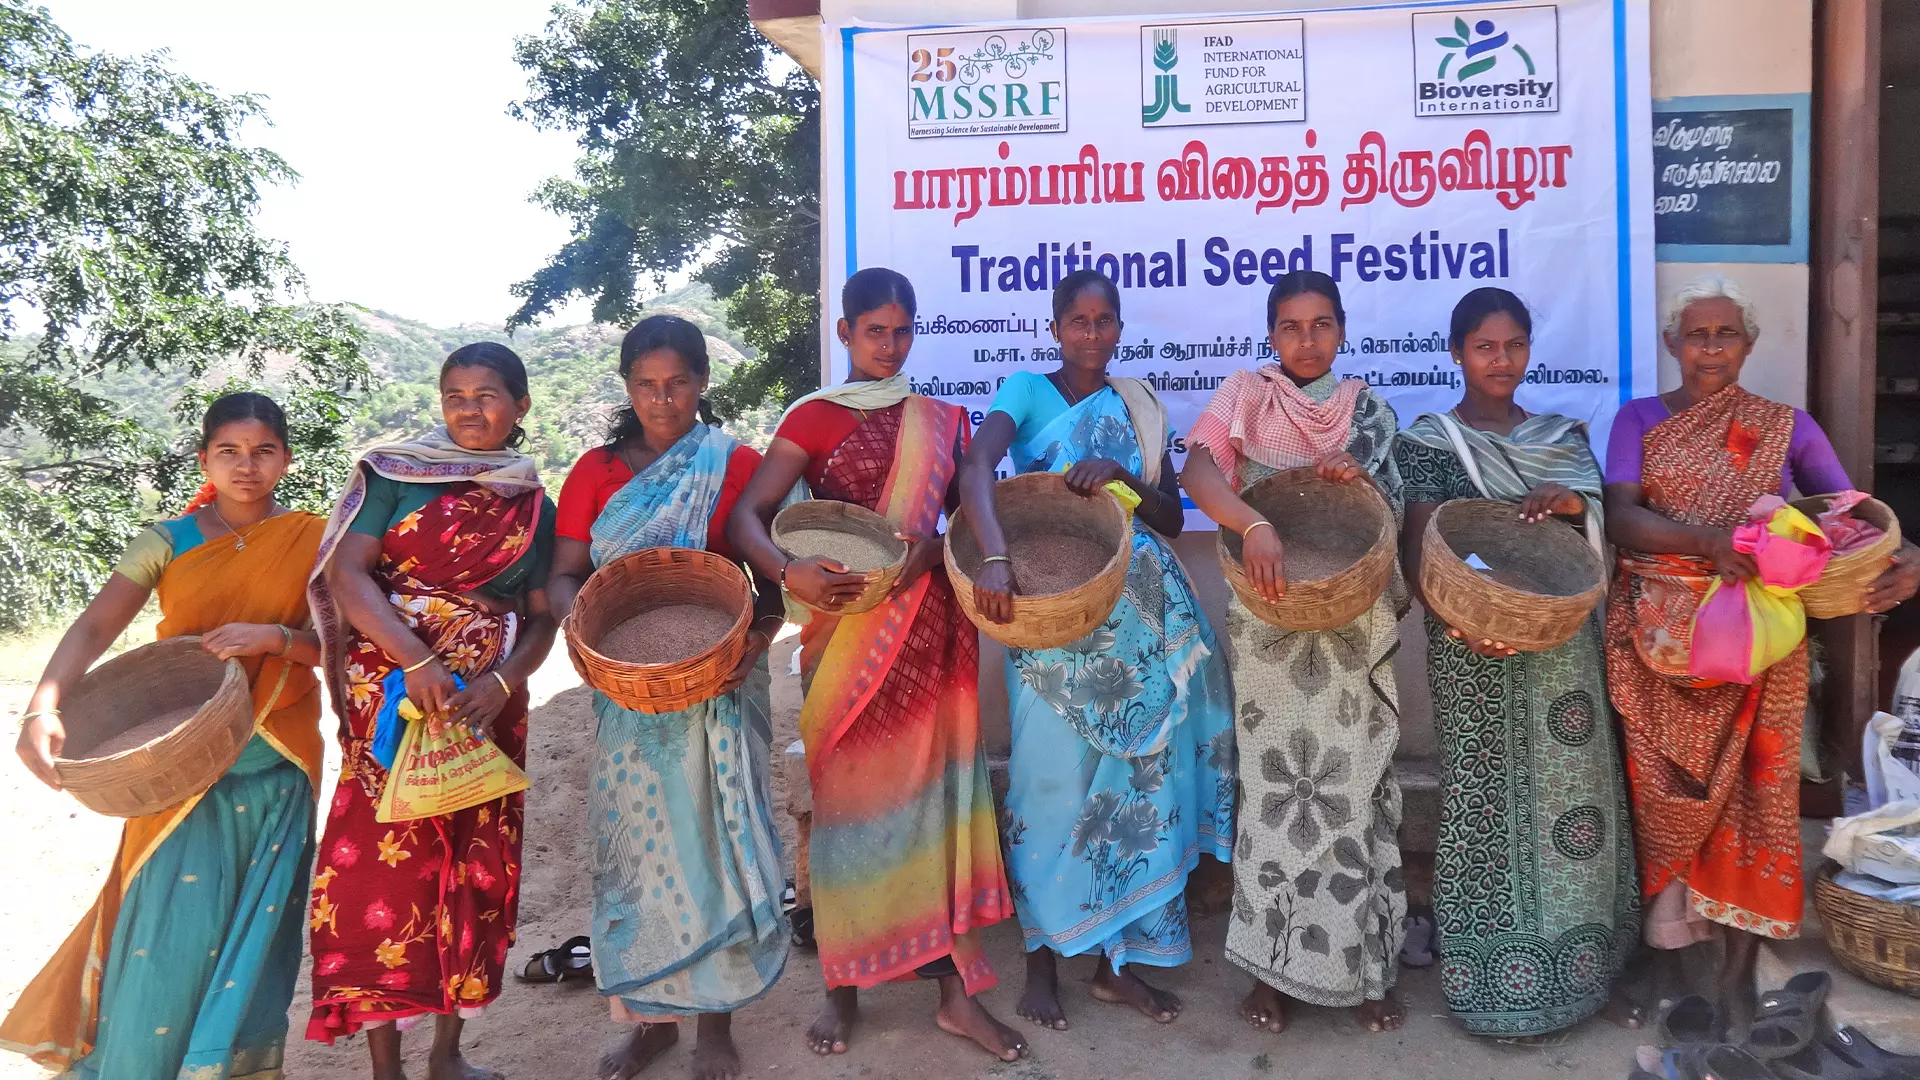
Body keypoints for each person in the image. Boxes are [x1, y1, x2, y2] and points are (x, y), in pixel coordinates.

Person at [1605, 275, 1920, 1029]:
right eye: (1696, 334)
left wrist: (1907, 551)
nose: (1710, 348)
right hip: (1658, 640)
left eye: (1725, 335)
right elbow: (1620, 517)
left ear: (1748, 344)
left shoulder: (1788, 426)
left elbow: (1847, 519)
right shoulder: (1638, 420)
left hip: (1760, 644)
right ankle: (1666, 953)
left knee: (1759, 799)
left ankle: (1739, 971)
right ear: (1671, 344)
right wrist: (1709, 544)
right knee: (1658, 795)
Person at [726, 268, 1024, 1063]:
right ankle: (842, 988)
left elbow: (966, 509)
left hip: (926, 630)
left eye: (902, 331)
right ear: (845, 334)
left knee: (933, 807)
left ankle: (956, 997)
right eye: (874, 332)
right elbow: (747, 517)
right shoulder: (815, 420)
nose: (889, 346)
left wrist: (956, 550)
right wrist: (789, 574)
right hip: (845, 635)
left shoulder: (943, 420)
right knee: (849, 811)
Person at [3, 393, 327, 1080]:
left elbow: (348, 645)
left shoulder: (316, 539)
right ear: (204, 457)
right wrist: (43, 708)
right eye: (229, 452)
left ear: (287, 459)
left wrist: (277, 638)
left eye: (264, 451)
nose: (248, 466)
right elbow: (94, 627)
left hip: (279, 757)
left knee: (257, 934)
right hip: (182, 760)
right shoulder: (166, 541)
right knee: (165, 925)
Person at [956, 269, 1235, 1032]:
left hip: (1138, 619)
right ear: (1053, 327)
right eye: (1076, 320)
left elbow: (1173, 520)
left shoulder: (1138, 405)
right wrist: (993, 556)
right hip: (1048, 616)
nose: (1090, 333)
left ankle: (1124, 966)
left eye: (1103, 320)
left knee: (1139, 790)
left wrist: (1121, 477)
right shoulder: (1025, 389)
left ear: (1118, 327)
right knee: (1046, 790)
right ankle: (1043, 958)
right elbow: (975, 467)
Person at [306, 343, 559, 1080]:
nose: (469, 409)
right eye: (455, 395)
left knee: (474, 872)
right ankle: (387, 1067)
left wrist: (505, 683)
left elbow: (539, 617)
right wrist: (416, 662)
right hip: (392, 703)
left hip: (484, 712)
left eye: (487, 395)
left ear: (521, 406)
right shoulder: (394, 474)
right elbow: (349, 576)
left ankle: (447, 1057)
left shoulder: (534, 505)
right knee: (381, 878)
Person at [1392, 287, 1640, 1037]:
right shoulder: (1429, 443)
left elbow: (1599, 536)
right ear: (1457, 353)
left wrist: (1573, 507)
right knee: (1485, 802)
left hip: (1561, 646)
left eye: (1514, 346)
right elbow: (1419, 550)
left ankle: (1584, 967)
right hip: (1470, 649)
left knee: (1574, 799)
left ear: (1530, 349)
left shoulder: (1562, 439)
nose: (1500, 361)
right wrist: (1466, 621)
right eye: (1484, 347)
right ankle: (1488, 980)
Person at [547, 315, 788, 1080]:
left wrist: (756, 640)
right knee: (639, 852)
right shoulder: (595, 473)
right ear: (627, 387)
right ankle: (650, 1019)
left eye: (678, 381)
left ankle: (716, 1020)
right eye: (647, 384)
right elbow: (563, 574)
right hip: (628, 690)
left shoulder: (735, 463)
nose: (663, 398)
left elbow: (774, 581)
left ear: (701, 384)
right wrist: (580, 630)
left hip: (718, 685)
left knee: (716, 843)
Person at [1181, 270, 1408, 1035]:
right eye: (1289, 326)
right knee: (1274, 796)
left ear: (1342, 330)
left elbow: (1394, 512)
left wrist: (1364, 477)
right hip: (1270, 616)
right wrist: (1252, 523)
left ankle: (1364, 966)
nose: (1305, 341)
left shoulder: (1370, 410)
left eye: (1320, 325)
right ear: (1269, 335)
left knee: (1353, 787)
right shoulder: (1247, 392)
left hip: (1351, 625)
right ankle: (1269, 970)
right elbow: (1197, 470)